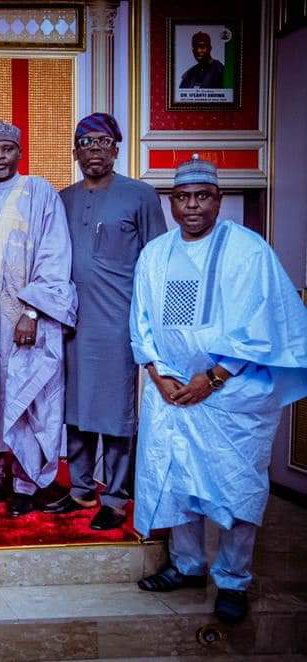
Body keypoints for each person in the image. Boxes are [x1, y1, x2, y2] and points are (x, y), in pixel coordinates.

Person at [131, 156, 307, 624]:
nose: (192, 206)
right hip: (169, 391)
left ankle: (233, 580)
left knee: (237, 486)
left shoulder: (249, 251)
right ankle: (187, 566)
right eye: (183, 197)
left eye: (202, 196)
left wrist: (212, 377)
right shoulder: (155, 253)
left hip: (232, 395)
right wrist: (156, 372)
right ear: (171, 203)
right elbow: (142, 320)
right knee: (177, 477)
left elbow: (265, 323)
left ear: (219, 200)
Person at [43, 113, 166, 530]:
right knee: (75, 409)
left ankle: (114, 496)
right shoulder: (64, 198)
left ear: (116, 148)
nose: (94, 151)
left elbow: (156, 262)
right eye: (85, 143)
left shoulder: (140, 196)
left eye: (102, 143)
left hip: (118, 322)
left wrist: (152, 323)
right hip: (71, 323)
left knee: (115, 412)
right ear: (75, 151)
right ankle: (79, 489)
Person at [0, 120, 76, 517]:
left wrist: (31, 311)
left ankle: (25, 485)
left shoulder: (40, 193)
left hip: (23, 321)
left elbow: (54, 255)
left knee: (26, 398)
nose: (0, 158)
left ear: (19, 153)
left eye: (8, 150)